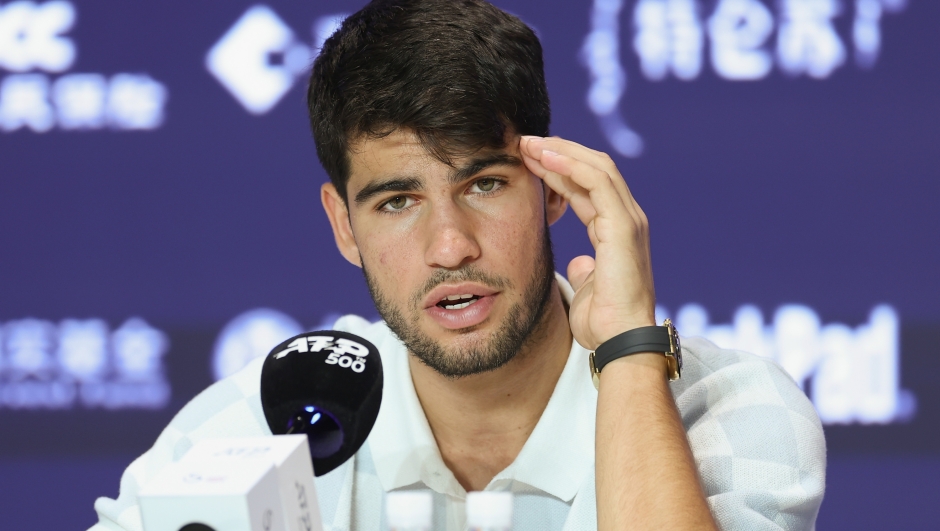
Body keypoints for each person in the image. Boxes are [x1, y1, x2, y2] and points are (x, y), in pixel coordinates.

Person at [89, 0, 826, 529]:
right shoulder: (275, 416)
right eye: (397, 201)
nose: (451, 247)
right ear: (343, 225)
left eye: (484, 185)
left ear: (556, 189)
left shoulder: (732, 410)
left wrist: (631, 353)